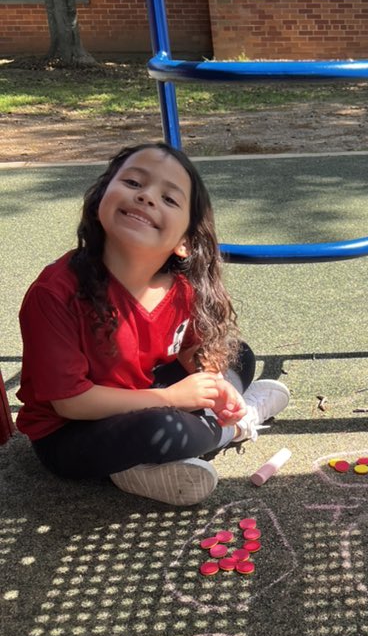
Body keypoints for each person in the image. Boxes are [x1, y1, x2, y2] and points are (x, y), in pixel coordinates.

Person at [16, 142, 290, 506]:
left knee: (237, 354)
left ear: (184, 243)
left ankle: (144, 464)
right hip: (73, 434)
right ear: (102, 197)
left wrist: (213, 384)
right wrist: (173, 398)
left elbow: (196, 351)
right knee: (163, 429)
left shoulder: (181, 288)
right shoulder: (55, 293)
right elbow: (70, 404)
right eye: (132, 182)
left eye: (169, 199)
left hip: (146, 397)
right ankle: (236, 426)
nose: (146, 197)